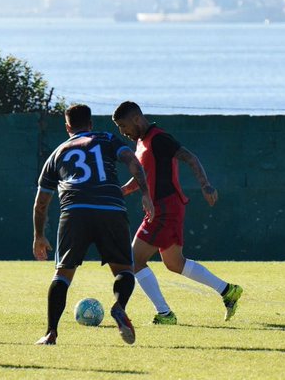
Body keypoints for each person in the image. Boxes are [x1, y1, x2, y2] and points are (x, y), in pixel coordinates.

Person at [111, 101, 242, 325]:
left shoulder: (159, 138)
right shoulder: (141, 143)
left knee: (134, 260)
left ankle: (164, 314)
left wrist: (205, 185)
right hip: (162, 208)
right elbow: (142, 177)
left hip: (165, 208)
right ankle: (228, 290)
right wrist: (121, 191)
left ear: (136, 119)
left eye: (124, 126)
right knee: (174, 263)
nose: (123, 132)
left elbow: (190, 157)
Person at [33, 104, 154, 346]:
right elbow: (131, 159)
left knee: (63, 275)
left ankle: (51, 334)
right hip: (111, 208)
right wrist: (145, 194)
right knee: (123, 270)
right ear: (90, 124)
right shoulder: (107, 138)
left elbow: (41, 203)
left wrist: (39, 236)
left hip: (74, 211)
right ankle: (119, 307)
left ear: (68, 127)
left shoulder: (57, 153)